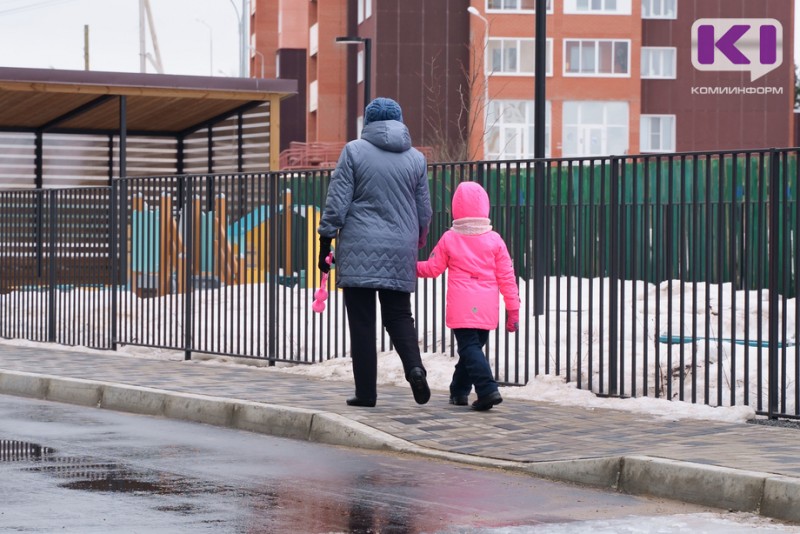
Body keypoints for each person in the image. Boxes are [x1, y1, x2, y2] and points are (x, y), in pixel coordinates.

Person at [317, 97, 433, 408]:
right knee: (398, 316)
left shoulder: (354, 151)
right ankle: (415, 369)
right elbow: (424, 210)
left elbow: (338, 201)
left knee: (363, 323)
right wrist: (418, 240)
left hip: (359, 246)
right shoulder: (416, 159)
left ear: (368, 122)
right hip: (400, 246)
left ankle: (366, 393)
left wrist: (325, 238)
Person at [416, 181, 520, 411]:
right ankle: (459, 391)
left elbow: (433, 268)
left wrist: (409, 266)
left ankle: (487, 389)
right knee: (471, 349)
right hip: (486, 307)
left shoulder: (450, 238)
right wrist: (513, 309)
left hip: (461, 306)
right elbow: (507, 277)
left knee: (469, 348)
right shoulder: (495, 240)